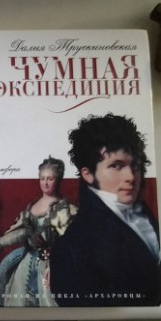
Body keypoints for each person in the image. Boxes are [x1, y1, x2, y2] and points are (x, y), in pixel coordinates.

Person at [50, 113, 161, 306]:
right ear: (88, 174)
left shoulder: (147, 214)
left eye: (135, 165)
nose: (130, 177)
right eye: (116, 166)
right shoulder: (71, 247)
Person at [0, 156, 77, 307]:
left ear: (58, 180)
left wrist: (58, 265)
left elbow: (70, 242)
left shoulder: (65, 209)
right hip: (26, 264)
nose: (45, 183)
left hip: (51, 265)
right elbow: (21, 233)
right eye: (42, 178)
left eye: (50, 179)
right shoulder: (31, 207)